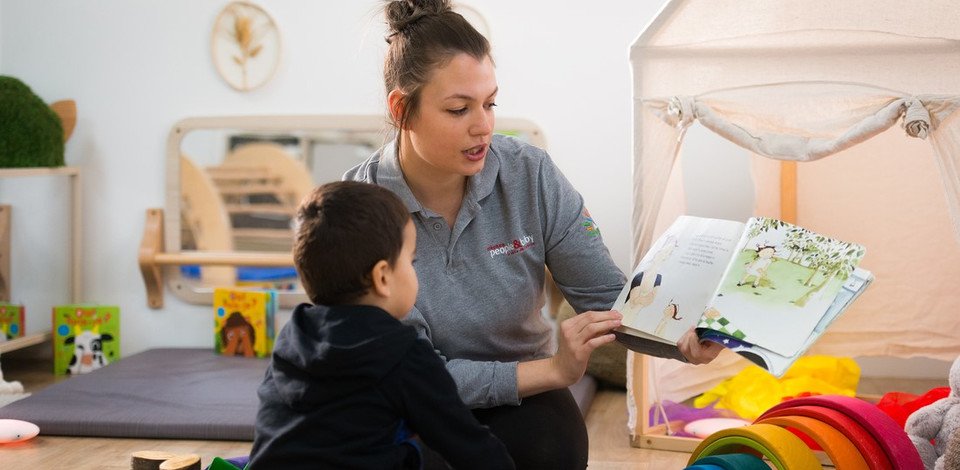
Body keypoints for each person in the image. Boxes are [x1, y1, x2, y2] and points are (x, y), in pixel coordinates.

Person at [345, 1, 723, 467]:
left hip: (525, 390)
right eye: (459, 108)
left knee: (556, 448)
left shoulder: (531, 175)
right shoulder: (359, 209)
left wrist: (680, 339)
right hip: (414, 400)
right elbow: (416, 377)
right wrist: (557, 368)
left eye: (490, 103)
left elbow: (605, 295)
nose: (483, 125)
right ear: (402, 109)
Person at [248, 181, 515, 470]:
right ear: (382, 277)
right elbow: (467, 444)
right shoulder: (403, 351)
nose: (414, 271)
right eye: (411, 261)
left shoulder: (293, 335)